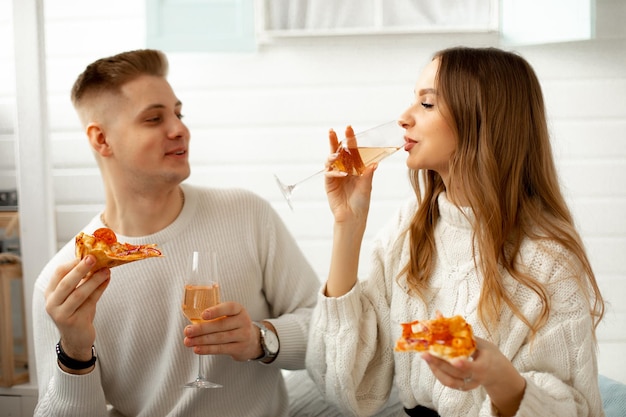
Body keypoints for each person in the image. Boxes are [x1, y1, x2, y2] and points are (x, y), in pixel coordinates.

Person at [306, 46, 606, 417]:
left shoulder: (548, 260)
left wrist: (501, 379)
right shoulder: (411, 227)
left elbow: (577, 409)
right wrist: (347, 227)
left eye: (427, 104)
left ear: (482, 119)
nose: (404, 118)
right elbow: (345, 385)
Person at [32, 49, 320, 417]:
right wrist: (73, 350)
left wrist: (260, 339)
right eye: (154, 118)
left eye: (178, 113)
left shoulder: (247, 214)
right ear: (101, 140)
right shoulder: (62, 285)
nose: (179, 128)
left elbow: (328, 331)